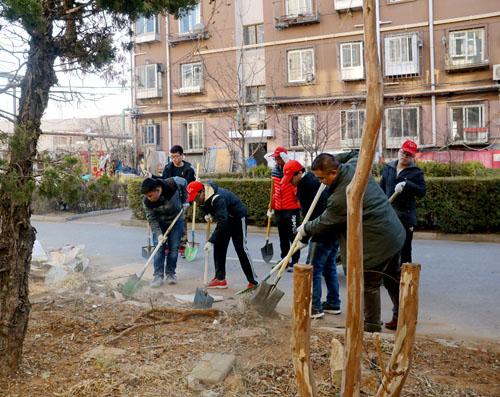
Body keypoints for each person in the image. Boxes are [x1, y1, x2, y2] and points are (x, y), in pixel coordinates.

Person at [297, 152, 405, 333]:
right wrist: (334, 157)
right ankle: (401, 317)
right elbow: (357, 153)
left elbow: (326, 221)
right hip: (393, 233)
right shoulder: (355, 167)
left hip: (377, 243)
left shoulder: (342, 196)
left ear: (333, 172)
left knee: (369, 283)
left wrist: (304, 230)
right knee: (393, 279)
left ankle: (371, 328)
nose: (320, 182)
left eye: (322, 178)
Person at [282, 160, 341, 319]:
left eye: (291, 178)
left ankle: (315, 307)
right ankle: (333, 303)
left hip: (320, 232)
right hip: (333, 229)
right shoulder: (316, 180)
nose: (291, 183)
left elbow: (310, 214)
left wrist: (304, 236)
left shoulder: (304, 185)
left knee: (312, 269)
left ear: (299, 173)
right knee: (329, 267)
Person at [380, 139, 426, 330]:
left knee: (405, 263)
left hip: (405, 220)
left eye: (409, 155)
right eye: (403, 153)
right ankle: (400, 310)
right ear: (399, 152)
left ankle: (405, 310)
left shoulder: (416, 173)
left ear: (413, 157)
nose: (405, 157)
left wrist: (407, 184)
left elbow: (422, 192)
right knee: (390, 267)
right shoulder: (389, 168)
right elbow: (382, 190)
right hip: (389, 218)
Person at [186, 180, 258, 290]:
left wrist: (211, 241)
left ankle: (253, 281)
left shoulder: (218, 198)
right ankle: (220, 279)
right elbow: (205, 206)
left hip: (238, 217)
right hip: (225, 217)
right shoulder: (202, 197)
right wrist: (207, 213)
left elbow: (222, 222)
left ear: (202, 192)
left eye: (196, 198)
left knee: (241, 248)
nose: (196, 201)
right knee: (219, 245)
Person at [141, 177, 189, 287]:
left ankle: (171, 274)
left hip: (176, 220)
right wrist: (158, 235)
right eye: (146, 196)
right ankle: (158, 276)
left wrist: (185, 201)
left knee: (174, 247)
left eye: (150, 195)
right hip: (160, 221)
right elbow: (151, 219)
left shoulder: (171, 185)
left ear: (157, 190)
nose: (148, 198)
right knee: (159, 247)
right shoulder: (147, 202)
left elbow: (184, 181)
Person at [268, 146, 301, 272]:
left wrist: (299, 202)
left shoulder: (293, 169)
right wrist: (271, 205)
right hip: (279, 208)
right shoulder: (275, 171)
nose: (276, 161)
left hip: (291, 208)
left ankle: (295, 260)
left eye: (278, 158)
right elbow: (273, 190)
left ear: (283, 157)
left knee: (293, 235)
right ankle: (284, 260)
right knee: (282, 236)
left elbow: (297, 188)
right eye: (275, 159)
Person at [162, 145, 196, 258]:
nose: (174, 159)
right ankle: (168, 245)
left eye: (176, 156)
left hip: (183, 201)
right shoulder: (168, 168)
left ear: (182, 155)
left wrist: (187, 201)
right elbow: (164, 183)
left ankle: (182, 246)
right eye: (172, 157)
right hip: (170, 200)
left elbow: (190, 187)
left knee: (182, 223)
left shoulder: (189, 169)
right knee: (168, 222)